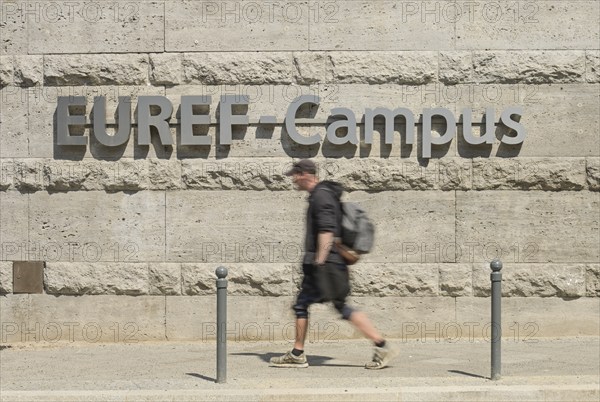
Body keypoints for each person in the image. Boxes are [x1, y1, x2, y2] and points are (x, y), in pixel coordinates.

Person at [270, 159, 398, 369]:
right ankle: (298, 351)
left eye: (295, 174)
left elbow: (327, 230)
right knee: (323, 305)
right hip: (331, 264)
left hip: (326, 264)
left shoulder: (321, 196)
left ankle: (381, 345)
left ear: (305, 174)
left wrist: (318, 262)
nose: (293, 179)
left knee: (317, 306)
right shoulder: (323, 194)